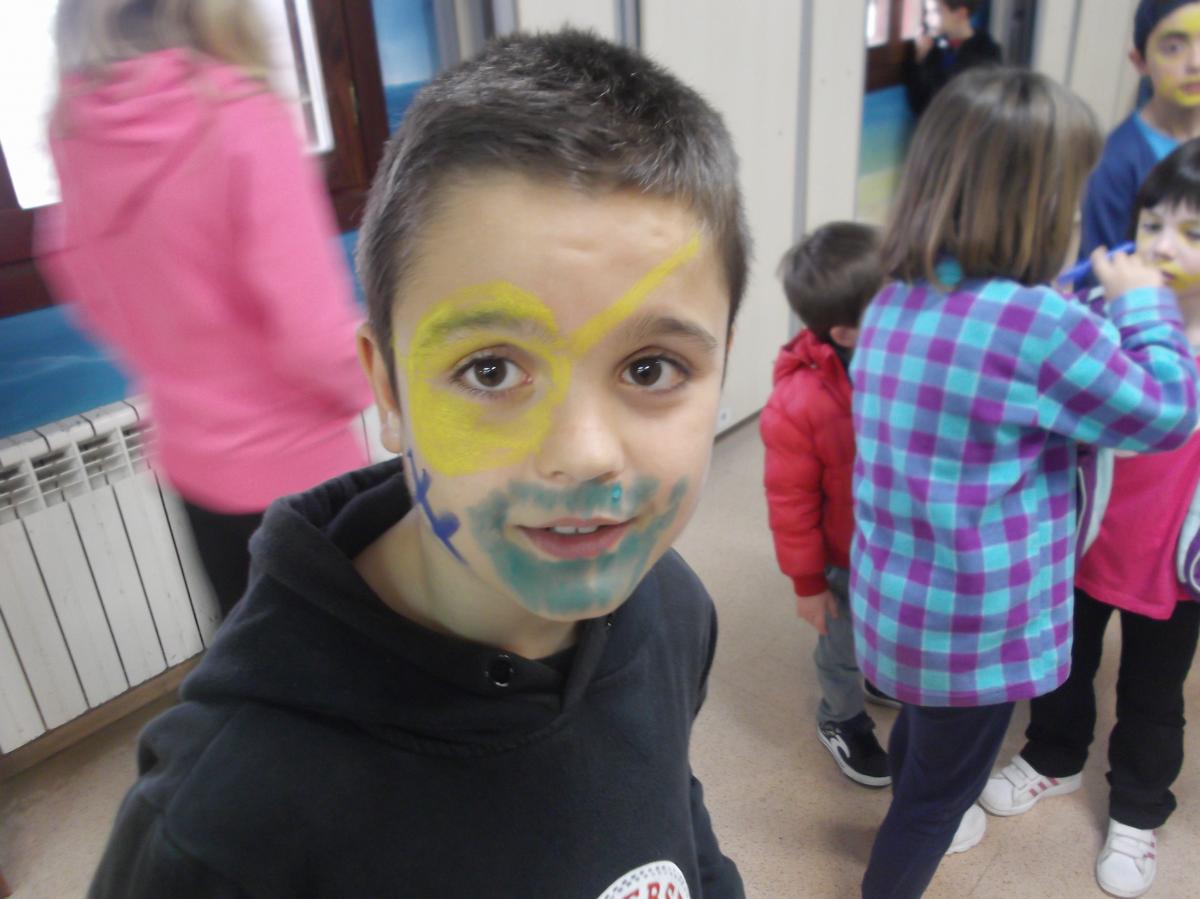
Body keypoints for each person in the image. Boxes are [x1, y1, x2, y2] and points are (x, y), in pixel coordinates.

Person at [85, 29, 747, 898]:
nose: (586, 453)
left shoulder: (672, 607)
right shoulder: (219, 828)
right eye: (491, 370)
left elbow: (677, 826)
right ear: (387, 391)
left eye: (652, 368)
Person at [851, 67, 1199, 899]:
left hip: (899, 606)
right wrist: (1146, 306)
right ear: (1038, 203)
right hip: (978, 626)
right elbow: (1166, 411)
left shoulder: (895, 298)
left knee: (924, 740)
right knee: (936, 802)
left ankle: (915, 792)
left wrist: (1081, 295)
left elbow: (997, 375)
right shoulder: (1040, 326)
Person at [38, 0, 371, 617]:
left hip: (195, 467)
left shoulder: (76, 130)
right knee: (354, 657)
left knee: (254, 649)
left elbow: (79, 275)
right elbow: (312, 335)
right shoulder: (240, 116)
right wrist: (376, 379)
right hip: (302, 470)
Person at [982, 139, 1200, 899]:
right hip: (1082, 540)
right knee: (1061, 662)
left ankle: (1138, 809)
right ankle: (1054, 756)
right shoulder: (1103, 315)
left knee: (1154, 694)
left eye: (1193, 232)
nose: (1163, 247)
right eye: (1152, 225)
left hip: (1175, 568)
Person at [760, 222, 891, 788]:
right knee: (841, 648)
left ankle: (880, 676)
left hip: (895, 542)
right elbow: (789, 502)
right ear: (845, 332)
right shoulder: (799, 403)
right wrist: (808, 584)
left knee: (886, 627)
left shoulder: (903, 361)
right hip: (842, 555)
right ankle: (840, 717)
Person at [1079, 0, 1200, 263]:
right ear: (1140, 61)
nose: (1196, 63)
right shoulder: (1116, 161)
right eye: (1173, 48)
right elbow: (1100, 271)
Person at [905, 0, 1002, 118]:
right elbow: (918, 104)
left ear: (960, 14)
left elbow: (983, 104)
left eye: (936, 11)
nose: (927, 19)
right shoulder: (931, 48)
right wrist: (920, 59)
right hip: (934, 124)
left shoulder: (987, 52)